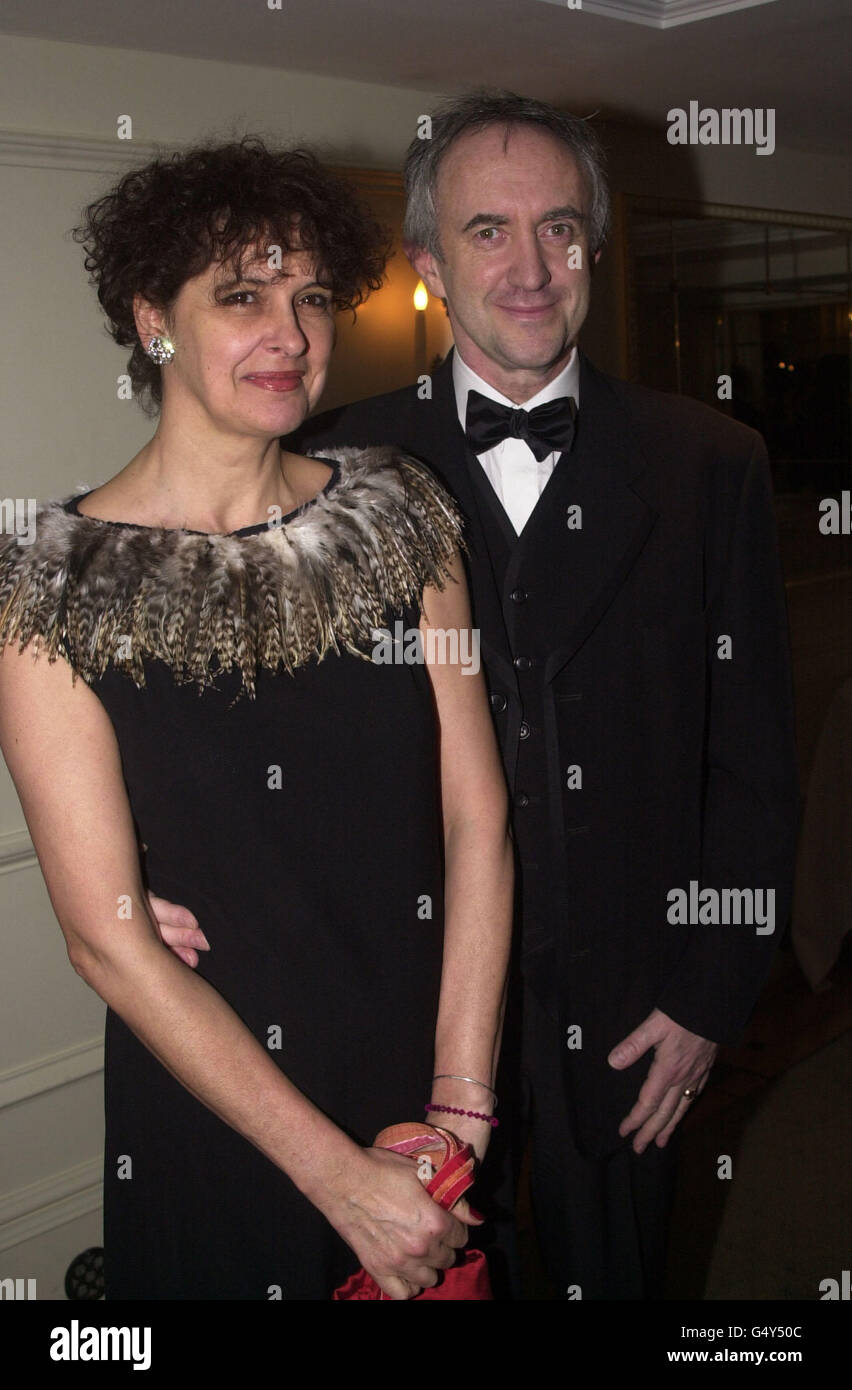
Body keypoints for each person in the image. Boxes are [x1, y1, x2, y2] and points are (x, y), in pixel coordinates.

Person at [285, 91, 801, 1298]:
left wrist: (712, 988)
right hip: (406, 1004)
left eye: (561, 229)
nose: (531, 268)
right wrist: (154, 867)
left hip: (634, 1007)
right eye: (487, 232)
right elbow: (261, 733)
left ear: (595, 248)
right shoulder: (333, 464)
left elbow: (757, 760)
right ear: (427, 263)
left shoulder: (711, 462)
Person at [0, 138, 513, 1300]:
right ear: (153, 320)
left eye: (312, 297)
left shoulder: (404, 519)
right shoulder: (48, 586)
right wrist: (334, 1176)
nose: (290, 333)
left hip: (426, 1055)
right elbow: (107, 938)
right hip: (218, 1097)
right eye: (241, 296)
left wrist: (463, 1101)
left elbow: (476, 810)